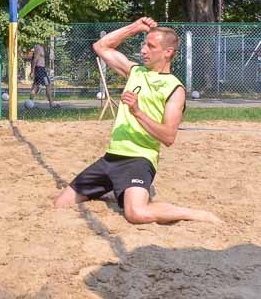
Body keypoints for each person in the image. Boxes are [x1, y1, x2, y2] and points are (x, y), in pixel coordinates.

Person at [53, 17, 219, 224]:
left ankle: (194, 214)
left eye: (150, 46)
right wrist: (134, 28)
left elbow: (168, 137)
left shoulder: (174, 89)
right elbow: (101, 46)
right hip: (111, 158)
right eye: (144, 45)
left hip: (138, 160)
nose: (143, 51)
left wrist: (137, 111)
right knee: (61, 203)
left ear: (168, 52)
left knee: (136, 214)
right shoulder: (135, 71)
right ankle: (116, 190)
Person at [29, 43, 59, 108]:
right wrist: (32, 71)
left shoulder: (41, 47)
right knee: (47, 85)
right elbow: (34, 60)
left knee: (36, 86)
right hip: (39, 69)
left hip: (41, 69)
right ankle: (51, 104)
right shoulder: (38, 47)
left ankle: (30, 103)